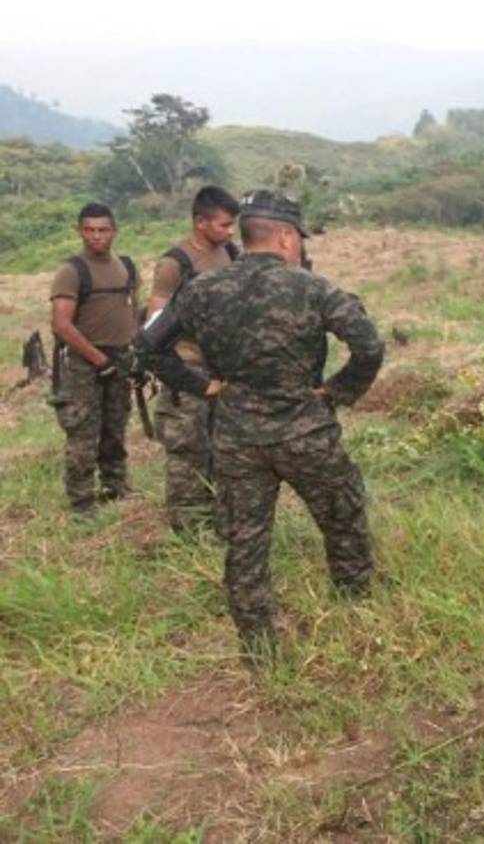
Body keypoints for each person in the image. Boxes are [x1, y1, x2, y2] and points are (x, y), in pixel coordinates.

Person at [138, 190, 384, 660]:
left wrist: (201, 385)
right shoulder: (312, 288)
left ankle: (256, 645)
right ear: (286, 236)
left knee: (245, 541)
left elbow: (147, 346)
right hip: (305, 433)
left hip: (237, 437)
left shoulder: (201, 289)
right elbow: (369, 346)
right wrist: (337, 391)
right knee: (343, 518)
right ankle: (356, 611)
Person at [146, 185, 241, 534]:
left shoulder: (230, 253)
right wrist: (177, 373)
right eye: (224, 225)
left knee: (222, 447)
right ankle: (187, 531)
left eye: (233, 224)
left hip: (223, 367)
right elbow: (155, 324)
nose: (231, 231)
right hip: (187, 366)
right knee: (187, 450)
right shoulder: (175, 264)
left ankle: (219, 520)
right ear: (200, 222)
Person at [49, 203, 141, 515]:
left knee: (116, 427)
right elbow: (61, 325)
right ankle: (82, 502)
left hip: (121, 357)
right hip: (83, 361)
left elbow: (132, 312)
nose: (96, 236)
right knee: (83, 433)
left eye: (103, 230)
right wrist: (99, 360)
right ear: (79, 231)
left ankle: (115, 486)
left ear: (114, 231)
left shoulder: (126, 266)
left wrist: (135, 353)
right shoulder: (71, 271)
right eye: (89, 230)